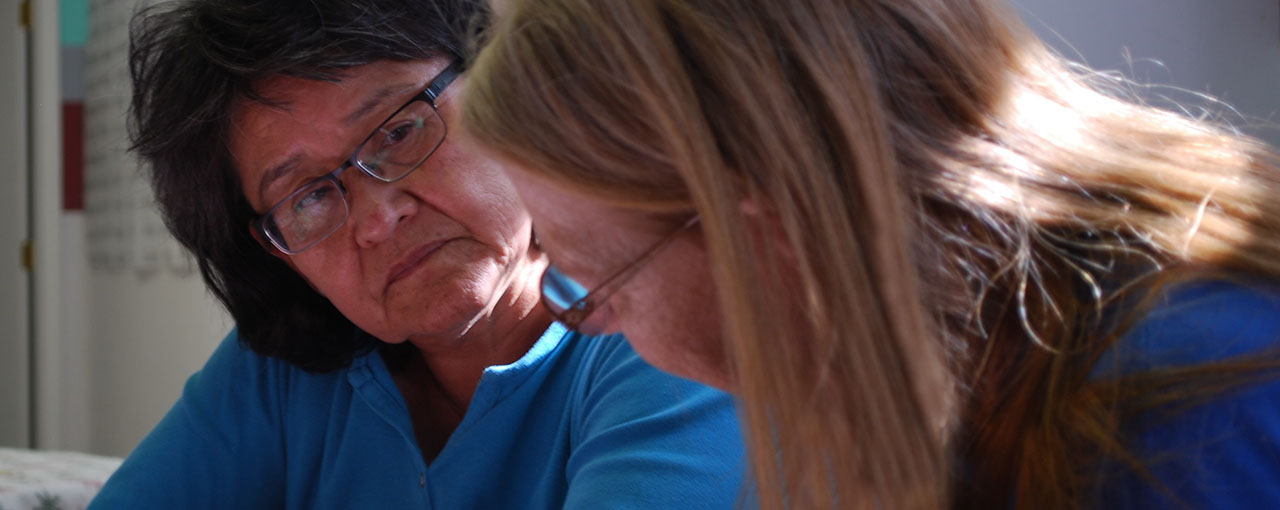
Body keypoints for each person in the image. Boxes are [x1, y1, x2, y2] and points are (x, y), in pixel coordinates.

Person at [462, 0, 1280, 508]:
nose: (609, 330)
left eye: (601, 284)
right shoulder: (994, 392)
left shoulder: (1181, 419)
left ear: (760, 225)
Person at [89, 1, 746, 508]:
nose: (377, 217)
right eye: (309, 198)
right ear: (280, 258)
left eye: (400, 129)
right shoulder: (283, 373)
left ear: (501, 92)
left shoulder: (659, 325)